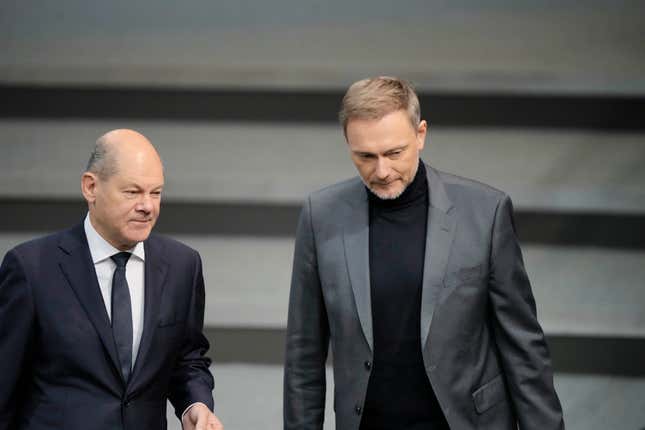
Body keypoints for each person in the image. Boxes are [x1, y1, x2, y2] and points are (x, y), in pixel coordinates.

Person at [284, 77, 564, 429]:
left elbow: (524, 350)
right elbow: (303, 356)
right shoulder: (321, 216)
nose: (382, 171)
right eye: (365, 156)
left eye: (394, 153)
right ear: (348, 144)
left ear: (421, 134)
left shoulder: (484, 213)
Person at [0, 129, 223, 430]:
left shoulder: (183, 265)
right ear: (90, 187)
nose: (148, 206)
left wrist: (195, 405)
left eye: (155, 193)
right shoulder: (31, 268)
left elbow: (187, 359)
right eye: (132, 192)